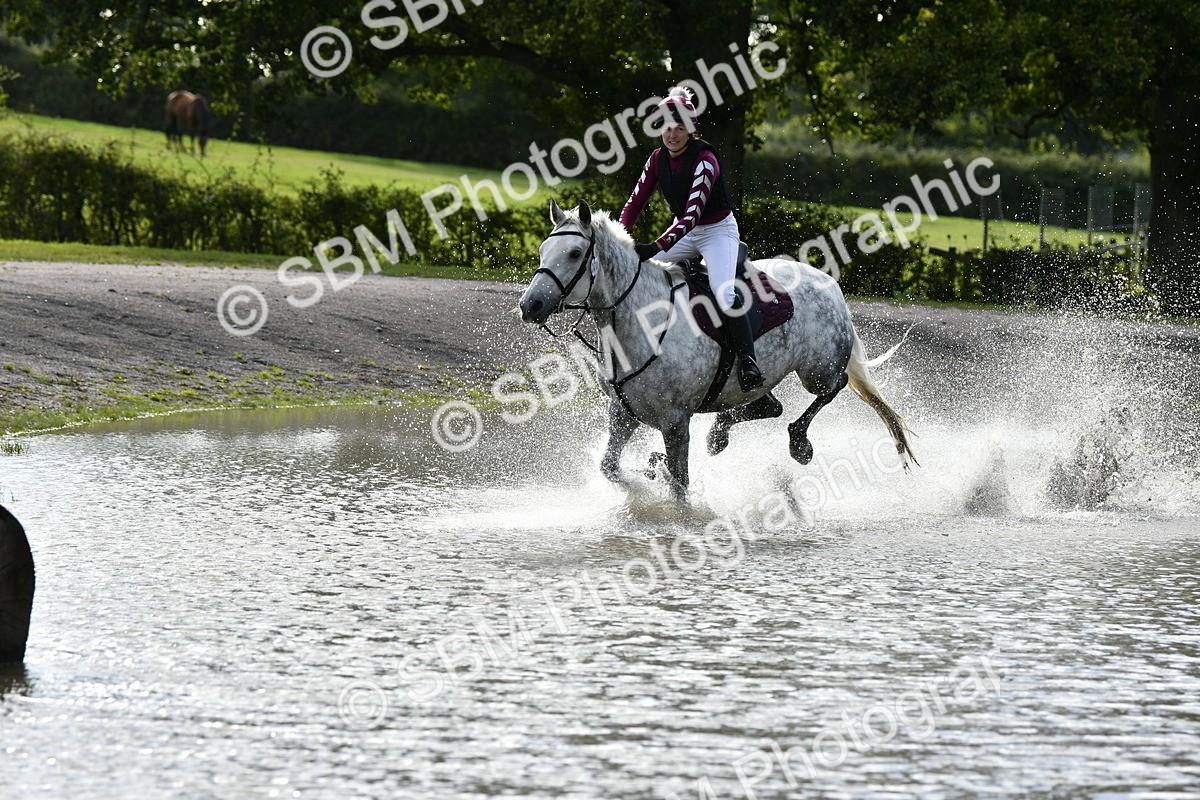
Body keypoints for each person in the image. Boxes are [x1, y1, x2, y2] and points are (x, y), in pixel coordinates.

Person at [619, 85, 763, 391]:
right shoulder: (657, 158)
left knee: (724, 295)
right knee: (642, 275)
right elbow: (634, 204)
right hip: (684, 231)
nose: (673, 134)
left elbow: (692, 217)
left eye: (680, 128)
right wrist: (620, 239)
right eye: (668, 128)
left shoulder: (706, 160)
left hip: (716, 231)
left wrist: (655, 246)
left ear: (692, 130)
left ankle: (749, 361)